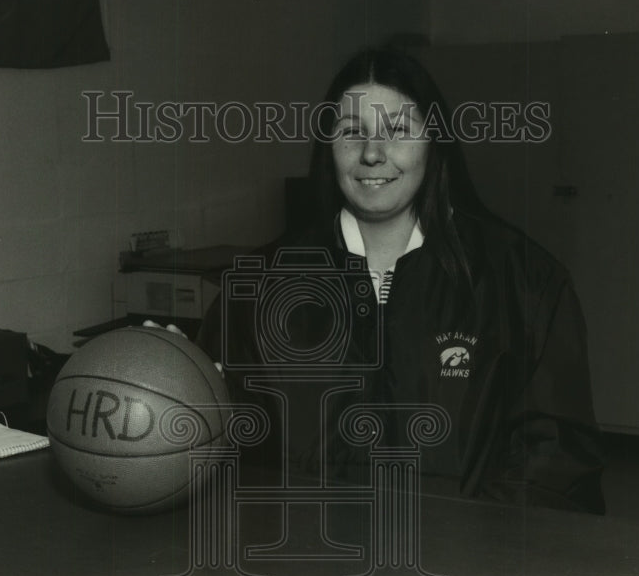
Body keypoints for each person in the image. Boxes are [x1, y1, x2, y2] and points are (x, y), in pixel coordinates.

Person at [196, 47, 605, 514]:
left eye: (397, 130)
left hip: (465, 574)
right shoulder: (255, 289)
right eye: (352, 132)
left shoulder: (523, 280)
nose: (372, 153)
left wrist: (473, 552)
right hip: (308, 570)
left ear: (434, 140)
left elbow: (558, 462)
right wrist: (167, 378)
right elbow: (213, 443)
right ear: (326, 145)